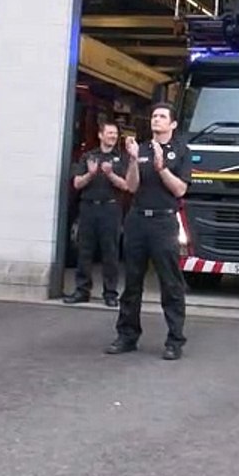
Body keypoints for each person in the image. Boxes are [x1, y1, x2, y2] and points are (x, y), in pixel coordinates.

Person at [107, 103, 191, 360]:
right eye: (154, 116)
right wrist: (133, 160)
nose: (157, 120)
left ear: (173, 124)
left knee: (170, 284)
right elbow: (131, 187)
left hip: (164, 223)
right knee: (132, 282)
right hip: (137, 220)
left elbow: (180, 190)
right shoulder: (139, 149)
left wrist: (161, 167)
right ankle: (127, 336)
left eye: (163, 116)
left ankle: (174, 340)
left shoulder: (181, 151)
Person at [65, 122, 130, 308]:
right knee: (84, 251)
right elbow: (77, 184)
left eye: (115, 133)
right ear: (100, 135)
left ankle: (110, 294)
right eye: (109, 133)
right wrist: (91, 174)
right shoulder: (88, 157)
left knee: (110, 252)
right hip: (88, 208)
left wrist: (110, 174)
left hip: (111, 209)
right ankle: (81, 291)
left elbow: (126, 186)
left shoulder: (121, 158)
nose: (113, 136)